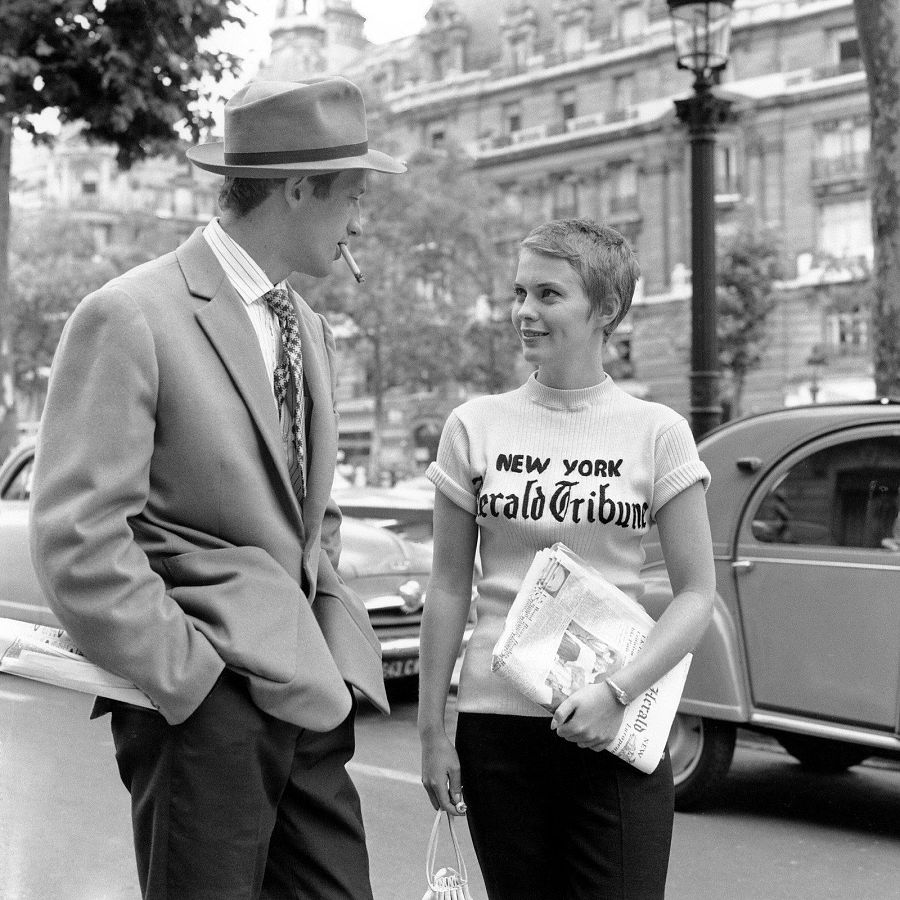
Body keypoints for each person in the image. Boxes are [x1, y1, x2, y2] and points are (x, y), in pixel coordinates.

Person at [29, 77, 405, 900]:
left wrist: (333, 646)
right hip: (206, 710)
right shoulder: (128, 314)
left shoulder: (303, 324)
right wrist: (193, 684)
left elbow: (314, 512)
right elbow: (78, 538)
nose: (359, 220)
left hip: (310, 695)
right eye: (352, 196)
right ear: (299, 189)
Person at [418, 218, 715, 899]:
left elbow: (698, 593)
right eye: (520, 292)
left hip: (614, 729)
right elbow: (447, 586)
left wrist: (617, 693)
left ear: (605, 309)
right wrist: (434, 731)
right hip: (497, 735)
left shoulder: (658, 433)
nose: (524, 312)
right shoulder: (473, 427)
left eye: (548, 295)